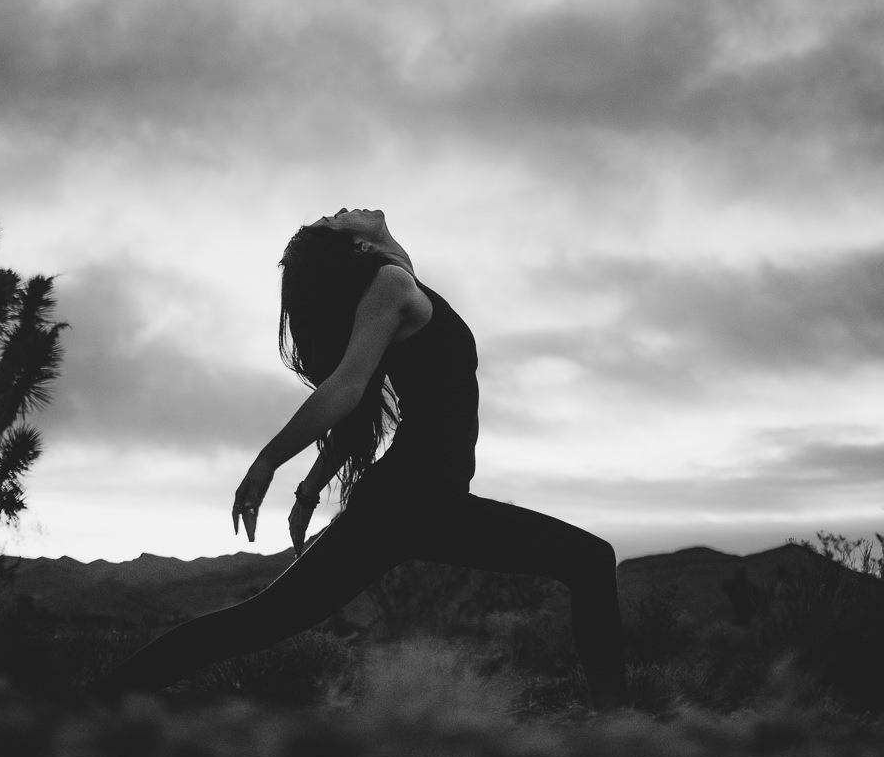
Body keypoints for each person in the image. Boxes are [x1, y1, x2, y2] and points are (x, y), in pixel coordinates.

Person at [92, 209, 628, 708]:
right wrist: (267, 462)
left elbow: (361, 403)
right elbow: (346, 386)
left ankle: (99, 701)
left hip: (418, 502)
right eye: (333, 217)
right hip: (414, 499)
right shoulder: (391, 286)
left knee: (257, 623)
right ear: (352, 243)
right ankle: (621, 725)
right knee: (590, 560)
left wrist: (310, 488)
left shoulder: (395, 282)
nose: (343, 207)